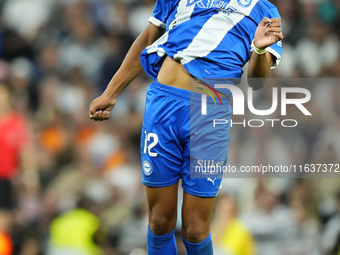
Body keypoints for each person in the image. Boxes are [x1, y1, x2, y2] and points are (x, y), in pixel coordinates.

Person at [89, 0, 283, 254]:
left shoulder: (263, 9)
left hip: (210, 114)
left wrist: (258, 50)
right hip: (163, 104)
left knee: (195, 228)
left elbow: (258, 82)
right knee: (160, 221)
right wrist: (111, 92)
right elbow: (149, 37)